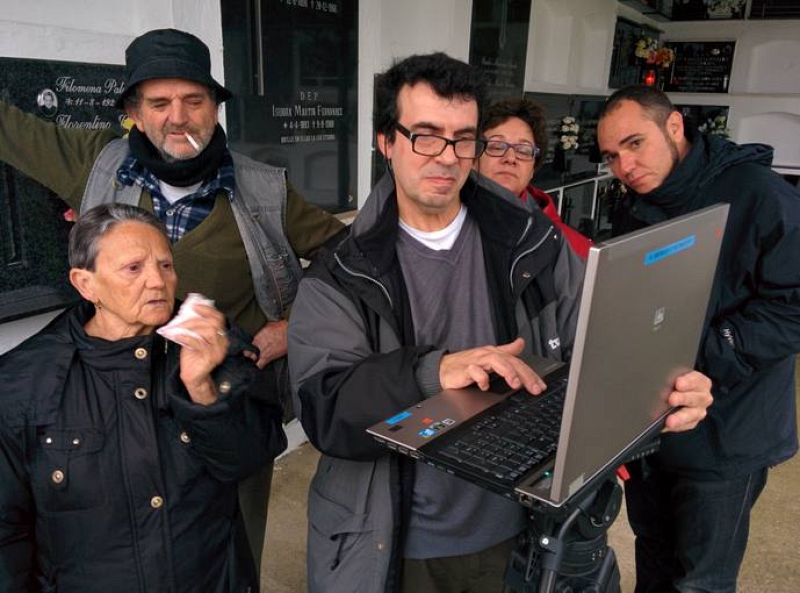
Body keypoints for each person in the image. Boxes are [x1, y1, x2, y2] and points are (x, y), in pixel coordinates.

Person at [288, 53, 714, 593]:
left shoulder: (531, 241)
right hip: (394, 543)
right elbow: (327, 409)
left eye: (464, 138)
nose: (446, 157)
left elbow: (603, 344)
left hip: (520, 532)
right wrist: (431, 373)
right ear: (386, 142)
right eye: (425, 135)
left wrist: (663, 390)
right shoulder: (342, 272)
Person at [0, 27, 345, 568]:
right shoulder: (93, 164)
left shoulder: (261, 189)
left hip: (228, 401)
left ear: (215, 108)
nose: (177, 117)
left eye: (193, 100)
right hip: (116, 406)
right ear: (135, 111)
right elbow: (9, 129)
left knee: (234, 548)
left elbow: (346, 257)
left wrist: (294, 326)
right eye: (159, 103)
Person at [0, 204, 287, 593]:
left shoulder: (211, 338)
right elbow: (7, 533)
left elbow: (252, 456)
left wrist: (202, 389)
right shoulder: (24, 381)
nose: (157, 281)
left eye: (166, 266)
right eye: (134, 268)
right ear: (86, 284)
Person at [596, 85, 800, 593]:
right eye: (612, 156)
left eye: (635, 143)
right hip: (654, 430)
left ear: (674, 126)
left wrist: (713, 352)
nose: (624, 165)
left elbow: (793, 306)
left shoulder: (759, 193)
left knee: (702, 580)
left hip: (729, 435)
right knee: (654, 553)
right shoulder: (634, 203)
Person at [476, 97, 592, 258]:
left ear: (532, 169)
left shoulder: (572, 250)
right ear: (473, 157)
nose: (510, 158)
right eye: (496, 146)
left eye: (523, 150)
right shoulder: (443, 223)